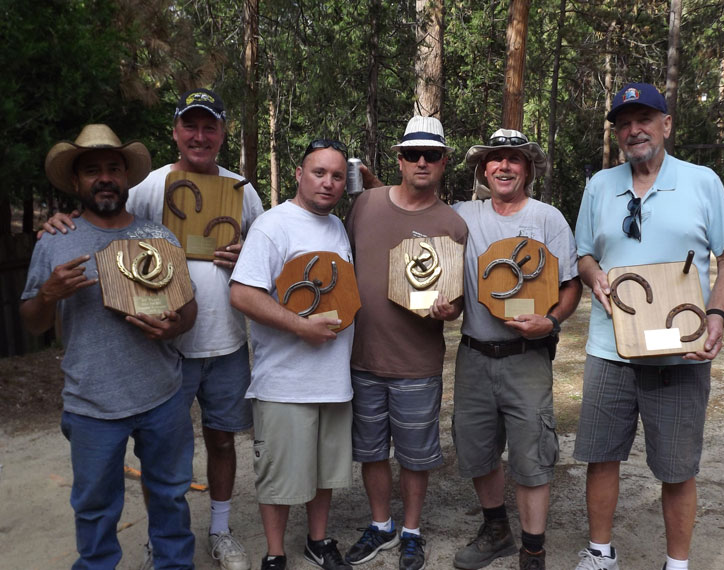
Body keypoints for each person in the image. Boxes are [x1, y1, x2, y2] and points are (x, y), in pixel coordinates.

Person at [42, 89, 264, 570]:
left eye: (210, 127)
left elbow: (264, 264)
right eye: (191, 126)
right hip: (163, 351)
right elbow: (105, 219)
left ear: (223, 134)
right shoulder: (147, 187)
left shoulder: (244, 190)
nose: (200, 136)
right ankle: (160, 543)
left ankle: (220, 530)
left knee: (221, 440)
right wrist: (59, 223)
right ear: (176, 131)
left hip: (225, 342)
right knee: (164, 460)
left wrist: (248, 255)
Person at [572, 82, 724, 570]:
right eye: (624, 123)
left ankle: (677, 563)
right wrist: (594, 275)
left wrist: (716, 316)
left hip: (680, 349)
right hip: (612, 348)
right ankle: (601, 554)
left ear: (666, 125)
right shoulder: (599, 186)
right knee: (601, 456)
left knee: (676, 466)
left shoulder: (702, 181)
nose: (633, 130)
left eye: (644, 119)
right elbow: (584, 253)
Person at [21, 124, 198, 569]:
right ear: (77, 182)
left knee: (171, 500)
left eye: (113, 169)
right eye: (93, 170)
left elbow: (190, 310)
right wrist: (48, 294)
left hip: (162, 396)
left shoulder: (158, 236)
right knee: (96, 510)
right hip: (91, 403)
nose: (104, 178)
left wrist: (173, 326)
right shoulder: (56, 241)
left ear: (126, 177)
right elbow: (31, 324)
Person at [450, 129, 582, 570]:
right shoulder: (461, 214)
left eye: (514, 159)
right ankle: (496, 529)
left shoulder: (548, 218)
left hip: (527, 358)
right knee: (477, 450)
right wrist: (371, 186)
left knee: (532, 454)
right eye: (495, 159)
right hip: (473, 354)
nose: (504, 166)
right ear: (483, 169)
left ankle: (533, 549)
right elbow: (407, 209)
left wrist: (552, 320)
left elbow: (570, 285)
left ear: (528, 168)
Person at [344, 116, 468, 570]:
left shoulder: (452, 224)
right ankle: (381, 525)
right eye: (413, 153)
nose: (421, 161)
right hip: (362, 356)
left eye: (431, 155)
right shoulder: (366, 204)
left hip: (417, 360)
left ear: (443, 162)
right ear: (398, 159)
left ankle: (411, 530)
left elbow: (453, 300)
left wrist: (448, 311)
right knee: (372, 450)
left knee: (416, 455)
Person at [229, 139, 355, 570]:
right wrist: (300, 327)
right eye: (319, 172)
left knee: (324, 473)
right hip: (284, 381)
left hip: (333, 379)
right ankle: (275, 553)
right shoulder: (273, 225)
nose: (328, 182)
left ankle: (318, 542)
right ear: (299, 174)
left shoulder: (337, 227)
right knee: (279, 478)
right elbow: (242, 293)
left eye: (337, 175)